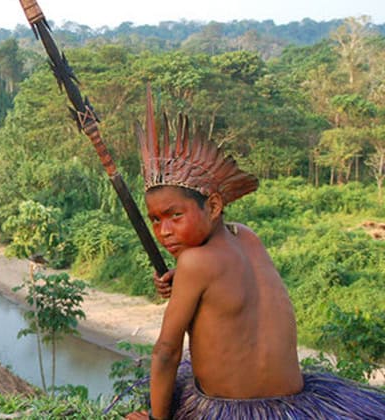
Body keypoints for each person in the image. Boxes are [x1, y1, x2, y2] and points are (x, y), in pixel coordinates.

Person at [124, 88, 385, 420]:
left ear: (213, 206)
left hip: (232, 410)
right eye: (155, 220)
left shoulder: (195, 262)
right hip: (294, 405)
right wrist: (185, 282)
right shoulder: (247, 236)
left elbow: (166, 351)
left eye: (176, 216)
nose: (164, 231)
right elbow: (234, 292)